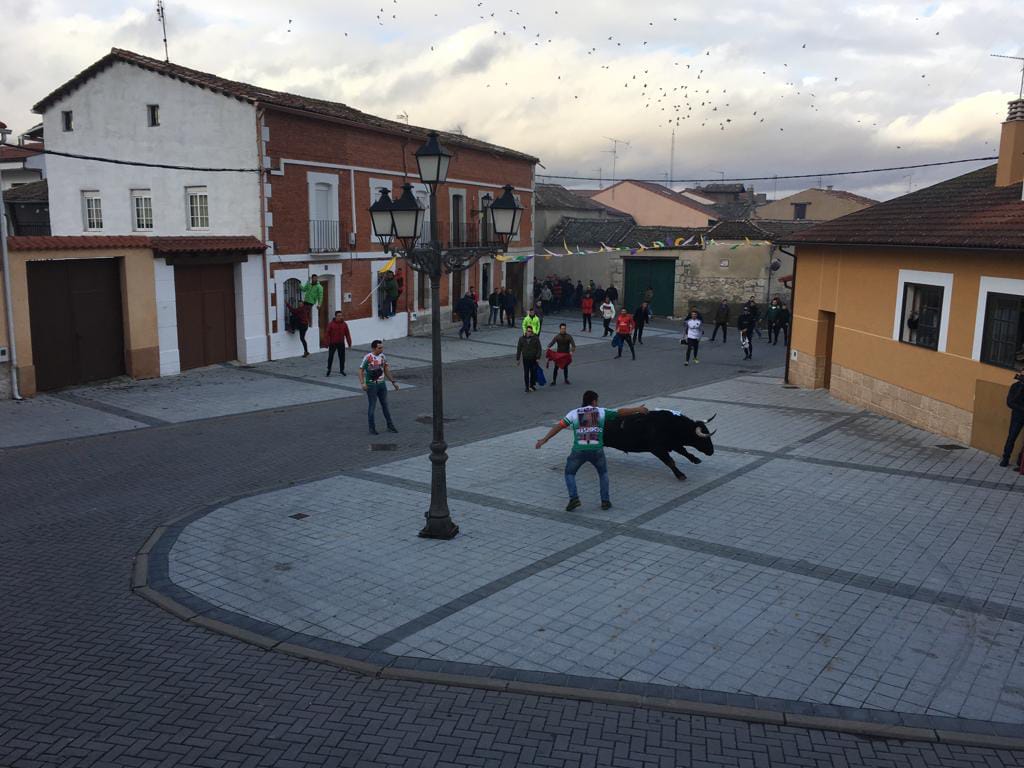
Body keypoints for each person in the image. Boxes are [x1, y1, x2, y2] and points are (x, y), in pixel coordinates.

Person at [534, 390, 648, 511]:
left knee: (569, 473)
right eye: (597, 401)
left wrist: (545, 439)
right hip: (597, 450)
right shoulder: (601, 411)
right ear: (594, 401)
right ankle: (605, 501)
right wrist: (637, 409)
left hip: (579, 450)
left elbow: (559, 426)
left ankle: (574, 498)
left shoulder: (574, 413)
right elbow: (619, 413)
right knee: (603, 473)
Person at [360, 339, 399, 435]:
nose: (381, 349)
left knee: (385, 405)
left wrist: (393, 382)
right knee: (372, 406)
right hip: (371, 385)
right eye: (379, 348)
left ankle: (390, 425)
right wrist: (363, 383)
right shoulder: (368, 357)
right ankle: (372, 428)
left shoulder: (383, 357)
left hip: (382, 385)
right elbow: (360, 371)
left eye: (382, 347)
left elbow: (386, 370)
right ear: (374, 348)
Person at [999, 366, 1024, 468]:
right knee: (1012, 437)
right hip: (1017, 415)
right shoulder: (1015, 386)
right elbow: (1010, 402)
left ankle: (1020, 463)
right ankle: (1005, 458)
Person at [300, 275, 323, 356]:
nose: (314, 279)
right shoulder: (309, 284)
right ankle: (304, 323)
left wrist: (319, 304)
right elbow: (303, 289)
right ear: (311, 279)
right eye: (313, 278)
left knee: (305, 313)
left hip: (310, 302)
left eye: (315, 278)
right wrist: (299, 284)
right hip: (305, 301)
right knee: (302, 312)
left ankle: (306, 323)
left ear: (317, 279)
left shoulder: (319, 287)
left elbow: (320, 296)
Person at [325, 310, 352, 376]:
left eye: (341, 316)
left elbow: (347, 334)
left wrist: (349, 343)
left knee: (342, 357)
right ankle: (329, 369)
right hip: (333, 343)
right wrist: (326, 343)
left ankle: (342, 370)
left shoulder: (344, 324)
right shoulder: (331, 324)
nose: (340, 317)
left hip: (341, 343)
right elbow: (327, 334)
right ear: (336, 316)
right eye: (339, 316)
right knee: (330, 357)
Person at [516, 325, 542, 392]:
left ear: (532, 332)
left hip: (533, 359)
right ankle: (527, 387)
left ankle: (532, 385)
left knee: (533, 372)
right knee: (526, 373)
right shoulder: (521, 339)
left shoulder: (535, 338)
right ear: (526, 331)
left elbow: (539, 348)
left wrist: (538, 357)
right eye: (528, 331)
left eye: (530, 331)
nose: (529, 332)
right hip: (526, 359)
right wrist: (518, 359)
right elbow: (519, 349)